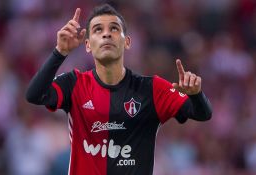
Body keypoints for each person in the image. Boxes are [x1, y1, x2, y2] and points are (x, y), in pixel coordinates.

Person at [26, 4, 212, 175]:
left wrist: (196, 94)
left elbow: (202, 114)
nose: (106, 34)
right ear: (88, 45)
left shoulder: (152, 88)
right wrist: (59, 52)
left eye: (114, 29)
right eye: (98, 30)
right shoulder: (75, 83)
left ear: (127, 42)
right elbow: (34, 95)